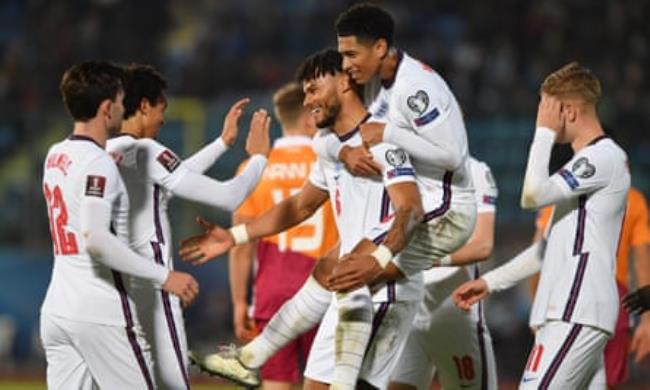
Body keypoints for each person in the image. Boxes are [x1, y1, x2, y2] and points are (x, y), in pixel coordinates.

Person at [182, 49, 470, 389]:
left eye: (313, 89)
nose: (307, 101)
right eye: (304, 92)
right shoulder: (332, 148)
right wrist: (235, 236)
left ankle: (251, 357)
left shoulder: (383, 141)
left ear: (346, 82)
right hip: (345, 289)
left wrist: (380, 257)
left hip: (381, 291)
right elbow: (299, 207)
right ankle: (250, 358)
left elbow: (410, 209)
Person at [453, 62, 630, 389]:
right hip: (576, 312)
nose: (542, 116)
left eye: (548, 108)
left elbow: (531, 195)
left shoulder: (603, 157)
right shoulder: (580, 170)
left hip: (577, 310)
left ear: (570, 111)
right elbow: (544, 251)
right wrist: (490, 282)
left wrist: (543, 134)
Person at [105, 63, 271, 390]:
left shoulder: (106, 153)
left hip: (112, 297)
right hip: (152, 291)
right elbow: (229, 197)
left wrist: (222, 143)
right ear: (143, 106)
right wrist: (260, 159)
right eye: (161, 109)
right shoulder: (147, 150)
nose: (163, 119)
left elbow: (169, 180)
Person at [40, 60, 198, 389]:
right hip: (100, 311)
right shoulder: (99, 163)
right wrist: (164, 275)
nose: (124, 106)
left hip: (58, 309)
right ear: (106, 107)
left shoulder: (55, 154)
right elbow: (96, 238)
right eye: (120, 99)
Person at [228, 82, 338, 389]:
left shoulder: (252, 169)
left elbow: (241, 246)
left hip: (272, 294)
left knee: (276, 383)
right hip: (324, 288)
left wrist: (239, 302)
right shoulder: (331, 164)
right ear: (307, 118)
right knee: (327, 381)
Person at [388, 156, 498, 390]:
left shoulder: (473, 171)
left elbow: (483, 244)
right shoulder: (399, 170)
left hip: (453, 311)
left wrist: (431, 259)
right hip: (409, 307)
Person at [533, 187, 650, 387]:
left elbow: (539, 256)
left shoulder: (561, 194)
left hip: (566, 295)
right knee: (607, 381)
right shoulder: (632, 198)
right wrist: (647, 321)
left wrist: (538, 311)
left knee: (558, 378)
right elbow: (642, 260)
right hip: (613, 297)